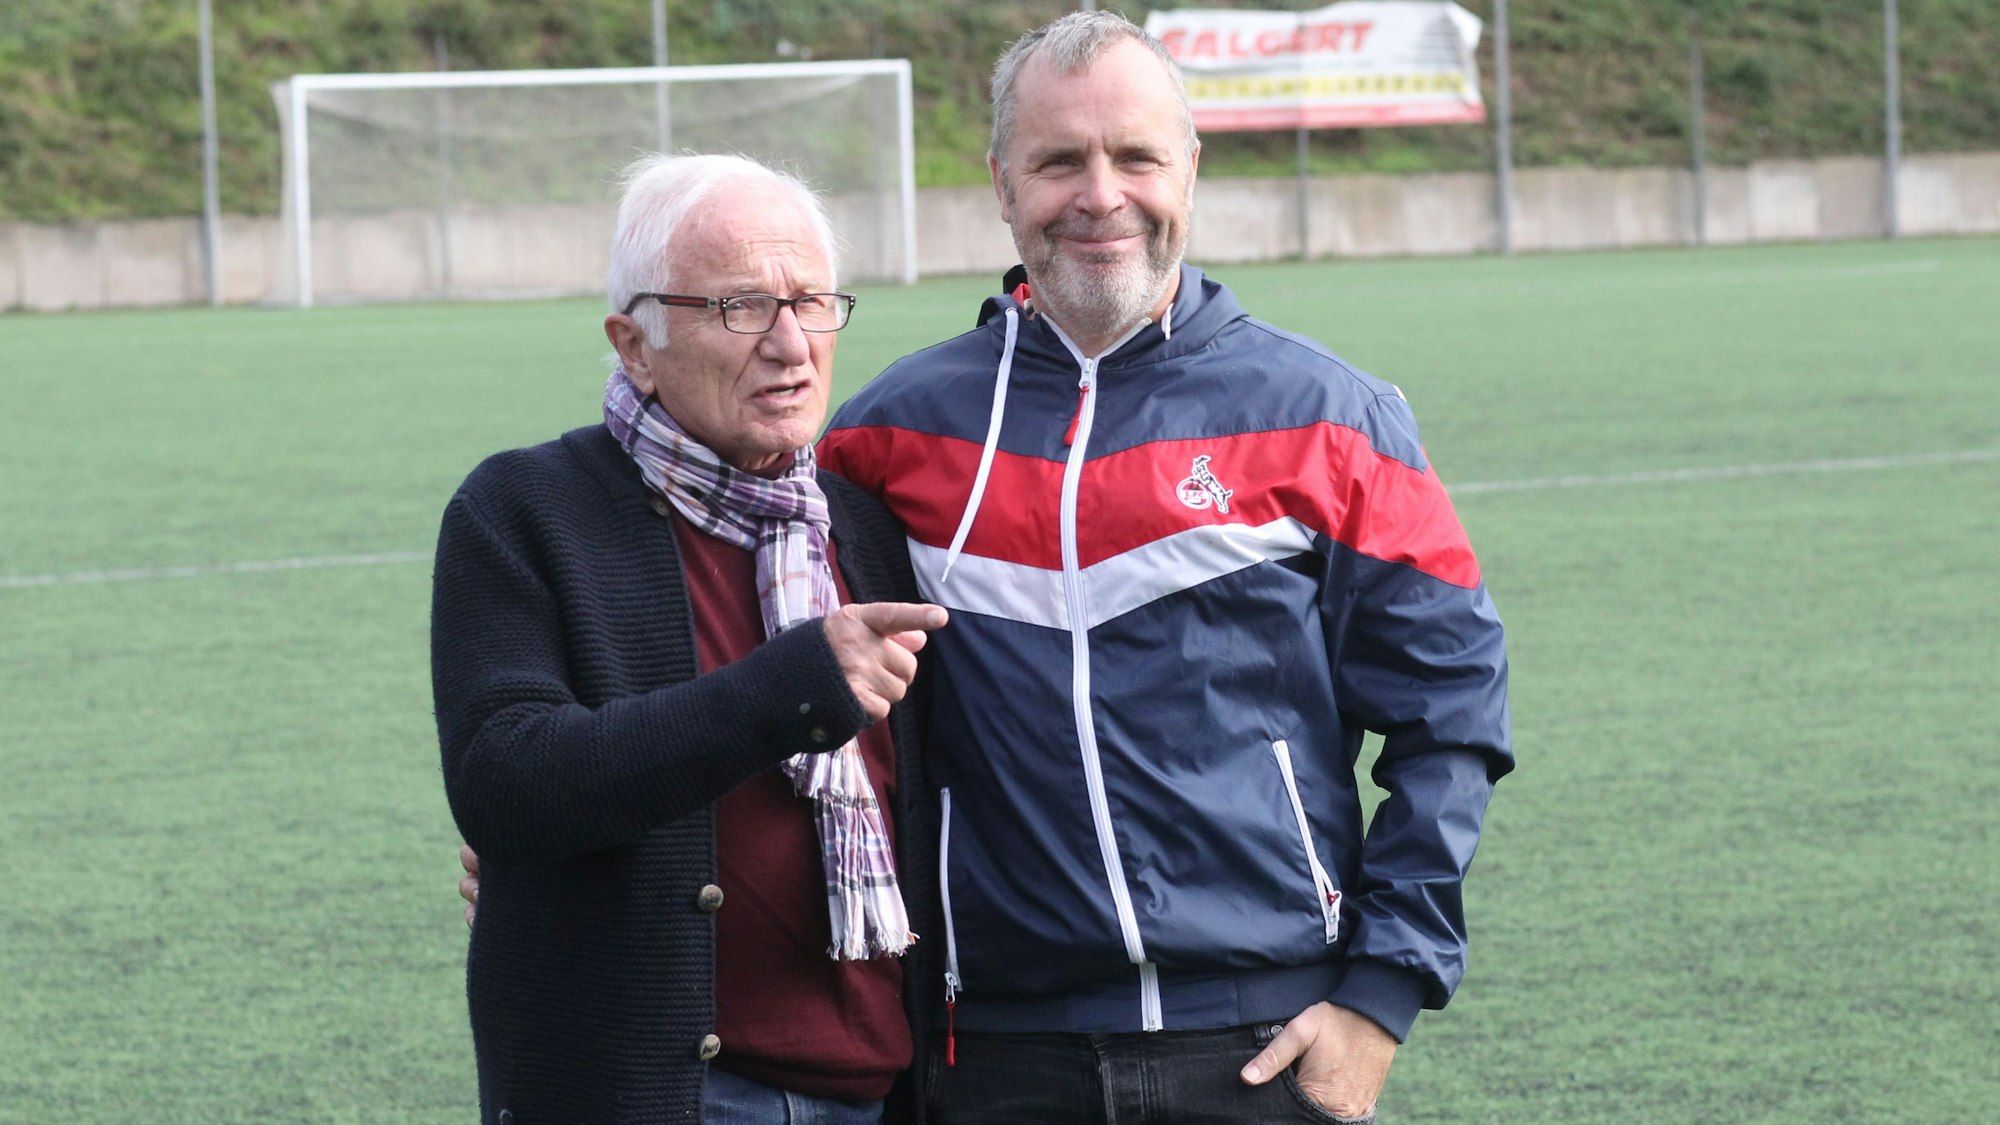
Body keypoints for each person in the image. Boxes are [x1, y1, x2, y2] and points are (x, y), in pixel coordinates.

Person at [814, 12, 1513, 1123]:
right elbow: (749, 649)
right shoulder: (888, 436)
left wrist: (1380, 998)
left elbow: (1452, 716)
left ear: (1187, 168)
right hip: (989, 1054)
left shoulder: (1333, 420)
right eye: (1058, 161)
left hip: (1261, 1044)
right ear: (1001, 184)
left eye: (1135, 156)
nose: (1100, 195)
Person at [432, 152, 947, 1125]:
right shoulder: (524, 512)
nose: (790, 345)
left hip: (878, 1094)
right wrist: (783, 691)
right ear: (634, 343)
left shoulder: (861, 529)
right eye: (738, 308)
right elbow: (503, 781)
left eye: (811, 302)